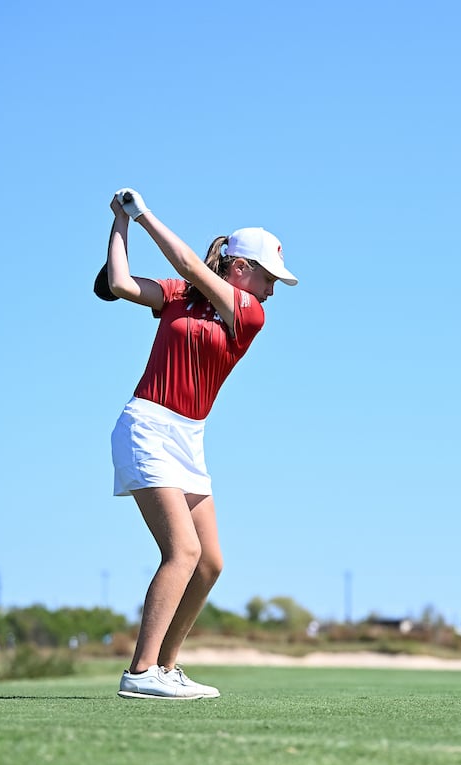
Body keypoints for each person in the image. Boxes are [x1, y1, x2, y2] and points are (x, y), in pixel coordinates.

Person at [103, 188, 297, 699]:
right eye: (269, 277)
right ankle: (140, 673)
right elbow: (120, 282)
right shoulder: (179, 296)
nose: (273, 291)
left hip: (189, 439)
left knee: (209, 561)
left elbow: (190, 266)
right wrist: (123, 220)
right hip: (147, 426)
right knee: (182, 550)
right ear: (240, 268)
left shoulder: (248, 313)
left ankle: (166, 667)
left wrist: (140, 215)